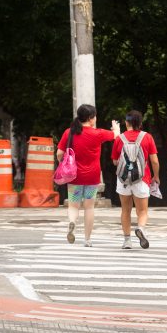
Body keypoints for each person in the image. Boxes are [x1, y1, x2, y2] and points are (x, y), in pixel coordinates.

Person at [56, 104, 120, 247]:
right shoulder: (98, 133)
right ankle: (87, 239)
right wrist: (116, 128)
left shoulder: (69, 132)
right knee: (89, 207)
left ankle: (72, 222)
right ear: (91, 118)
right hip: (92, 177)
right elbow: (116, 136)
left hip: (74, 176)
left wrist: (63, 162)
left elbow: (59, 153)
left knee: (73, 206)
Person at [110, 110, 159, 249]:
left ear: (127, 123)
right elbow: (154, 161)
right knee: (142, 211)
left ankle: (127, 241)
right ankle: (141, 228)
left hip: (123, 180)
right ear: (140, 123)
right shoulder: (147, 137)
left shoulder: (120, 138)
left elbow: (115, 161)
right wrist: (156, 176)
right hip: (142, 179)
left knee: (125, 210)